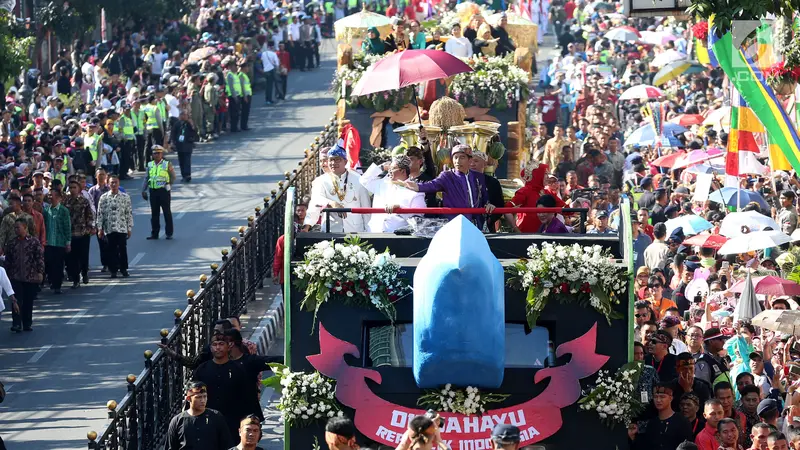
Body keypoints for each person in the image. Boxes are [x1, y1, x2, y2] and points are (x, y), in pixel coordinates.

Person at [404, 145, 496, 229]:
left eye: (462, 157)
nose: (458, 161)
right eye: (455, 158)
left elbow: (483, 195)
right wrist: (417, 187)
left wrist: (488, 204)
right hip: (455, 223)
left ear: (470, 160)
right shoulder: (447, 176)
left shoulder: (478, 176)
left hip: (476, 223)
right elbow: (432, 185)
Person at [304, 143, 371, 233]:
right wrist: (307, 225)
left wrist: (369, 232)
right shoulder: (321, 180)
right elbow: (316, 202)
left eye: (337, 160)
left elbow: (366, 208)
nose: (333, 163)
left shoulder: (358, 179)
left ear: (345, 161)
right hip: (331, 230)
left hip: (355, 230)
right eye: (331, 160)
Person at [359, 155, 426, 232]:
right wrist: (381, 167)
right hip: (374, 232)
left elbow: (419, 217)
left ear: (403, 171)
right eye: (389, 169)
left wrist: (400, 208)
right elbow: (363, 180)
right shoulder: (382, 183)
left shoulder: (414, 191)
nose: (389, 171)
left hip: (397, 236)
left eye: (392, 169)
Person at [166, 382, 233, 450]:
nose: (203, 400)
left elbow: (227, 445)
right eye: (198, 397)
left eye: (205, 396)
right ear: (189, 399)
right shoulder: (178, 421)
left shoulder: (216, 417)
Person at [5, 218, 44, 333]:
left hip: (30, 277)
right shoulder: (12, 243)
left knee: (28, 301)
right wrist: (7, 276)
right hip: (15, 277)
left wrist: (40, 272)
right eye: (15, 228)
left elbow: (39, 258)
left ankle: (27, 323)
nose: (16, 230)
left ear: (25, 228)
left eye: (18, 227)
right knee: (16, 301)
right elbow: (8, 261)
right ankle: (16, 323)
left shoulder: (34, 242)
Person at [631, 382, 692, 450]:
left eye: (662, 397)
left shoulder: (682, 422)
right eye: (655, 397)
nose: (658, 400)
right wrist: (633, 437)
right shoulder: (652, 424)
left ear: (671, 398)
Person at [97, 175, 133, 278]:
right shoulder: (104, 198)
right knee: (111, 249)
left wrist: (129, 228)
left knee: (122, 249)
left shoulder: (125, 197)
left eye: (115, 182)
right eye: (112, 182)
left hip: (121, 228)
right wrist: (100, 228)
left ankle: (124, 269)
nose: (113, 184)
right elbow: (100, 214)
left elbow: (128, 213)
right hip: (109, 228)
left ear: (119, 183)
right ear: (108, 184)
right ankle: (113, 270)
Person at [64, 180, 94, 288]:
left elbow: (89, 215)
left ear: (79, 189)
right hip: (70, 233)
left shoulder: (84, 201)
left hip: (83, 233)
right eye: (70, 187)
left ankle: (84, 273)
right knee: (72, 258)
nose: (72, 190)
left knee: (83, 256)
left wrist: (90, 227)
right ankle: (76, 280)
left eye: (74, 187)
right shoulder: (65, 201)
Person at [142, 145, 175, 240]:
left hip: (163, 191)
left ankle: (169, 233)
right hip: (153, 191)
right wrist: (143, 190)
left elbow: (173, 176)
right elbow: (146, 178)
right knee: (154, 214)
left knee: (166, 212)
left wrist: (169, 185)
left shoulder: (167, 164)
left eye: (158, 153)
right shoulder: (150, 164)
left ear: (162, 154)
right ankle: (155, 233)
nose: (156, 155)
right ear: (152, 154)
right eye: (154, 153)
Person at [43, 189, 71, 294]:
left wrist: (68, 242)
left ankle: (57, 285)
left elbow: (67, 227)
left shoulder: (64, 211)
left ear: (59, 197)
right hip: (48, 242)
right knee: (49, 263)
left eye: (52, 195)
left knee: (58, 265)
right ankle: (51, 281)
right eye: (49, 195)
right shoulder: (46, 210)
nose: (50, 197)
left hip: (60, 243)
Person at [170, 110, 198, 182]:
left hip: (188, 145)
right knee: (181, 161)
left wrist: (192, 124)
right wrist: (172, 143)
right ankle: (183, 175)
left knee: (187, 160)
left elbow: (194, 131)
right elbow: (173, 134)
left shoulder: (189, 123)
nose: (183, 116)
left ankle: (188, 175)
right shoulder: (177, 124)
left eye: (185, 115)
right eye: (182, 115)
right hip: (179, 145)